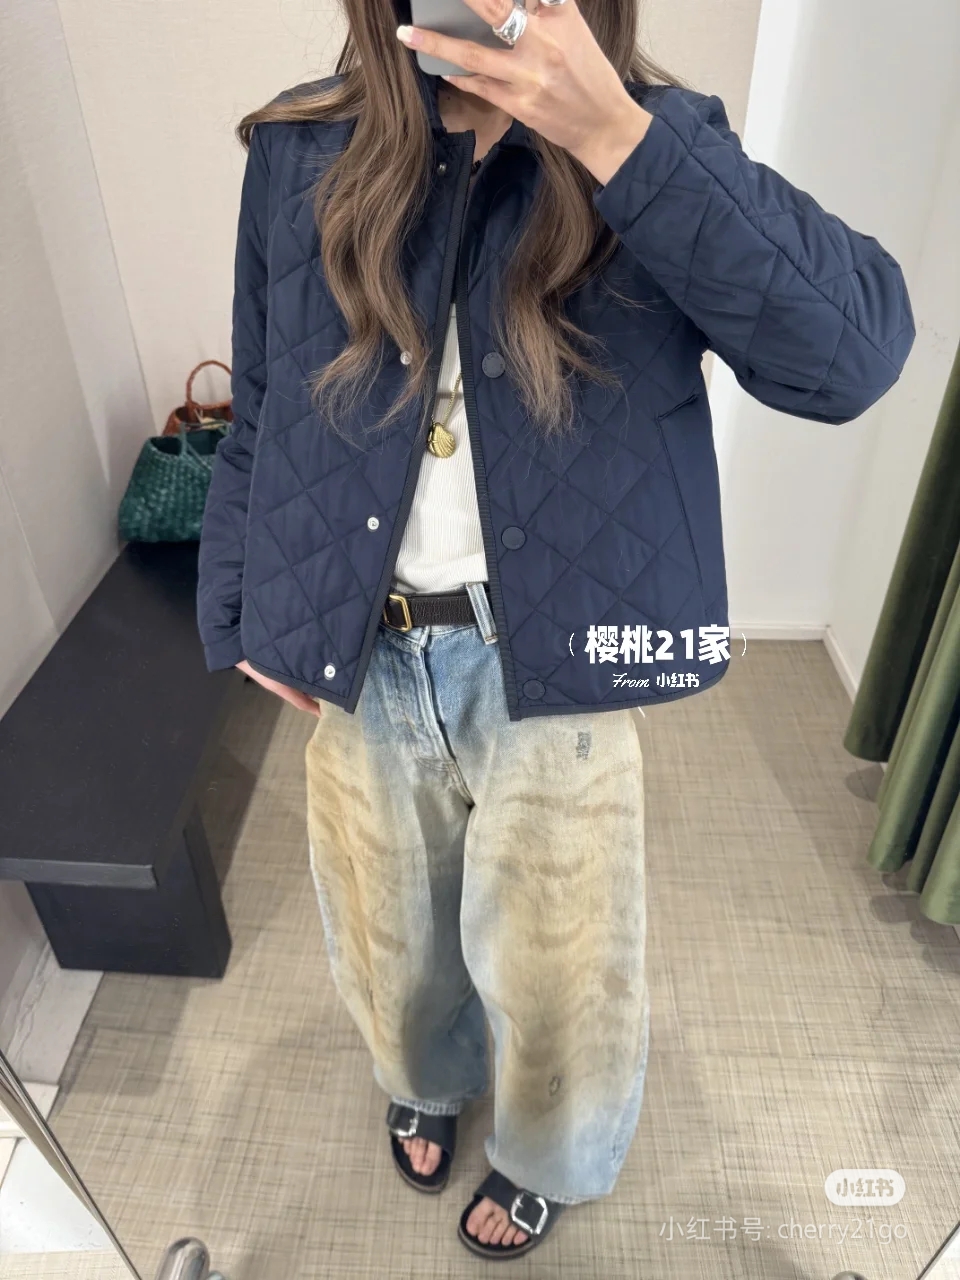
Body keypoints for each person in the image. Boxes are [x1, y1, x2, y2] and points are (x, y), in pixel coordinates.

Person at [197, 0, 915, 1259]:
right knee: (386, 931)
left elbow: (850, 357)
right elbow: (262, 397)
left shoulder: (659, 144)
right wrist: (241, 597)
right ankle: (426, 1076)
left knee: (561, 954)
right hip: (359, 648)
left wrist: (618, 138)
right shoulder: (303, 149)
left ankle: (546, 1152)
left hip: (557, 662)